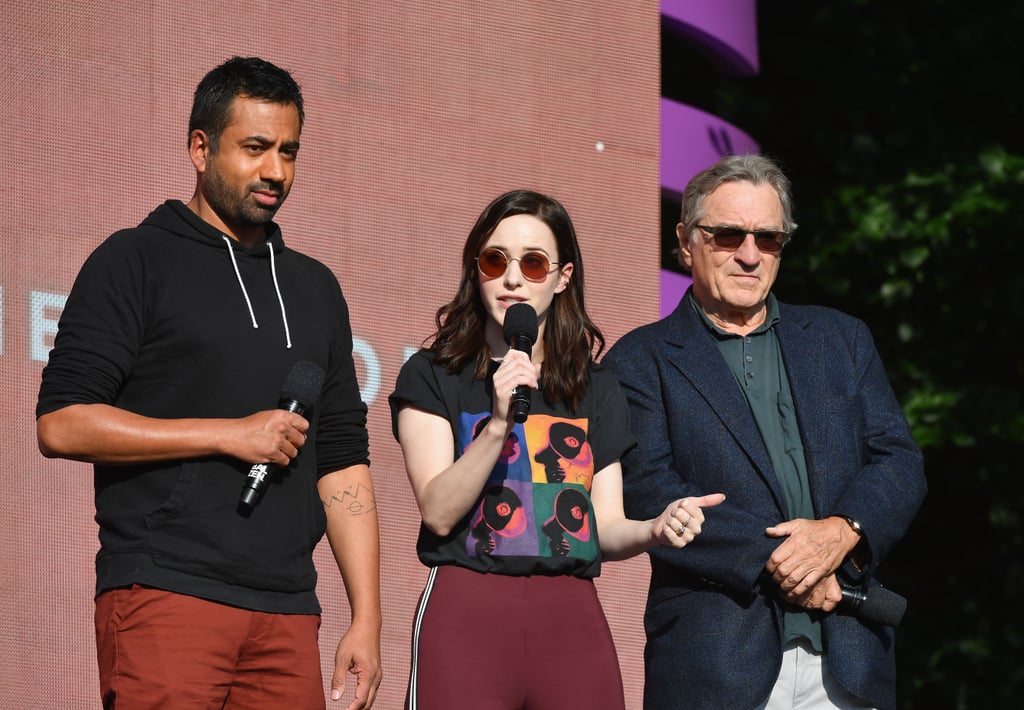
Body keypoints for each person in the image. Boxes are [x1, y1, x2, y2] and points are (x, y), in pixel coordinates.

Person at [36, 56, 382, 710]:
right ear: (200, 147)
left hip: (287, 611)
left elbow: (342, 460)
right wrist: (229, 436)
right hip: (165, 592)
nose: (275, 171)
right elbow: (61, 422)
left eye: (289, 151)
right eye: (255, 148)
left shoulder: (316, 289)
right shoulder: (134, 260)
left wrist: (366, 616)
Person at [602, 153, 927, 710]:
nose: (750, 255)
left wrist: (842, 531)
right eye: (728, 235)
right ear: (686, 242)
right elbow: (652, 489)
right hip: (715, 664)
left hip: (848, 656)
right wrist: (787, 560)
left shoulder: (841, 339)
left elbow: (898, 460)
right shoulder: (638, 360)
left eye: (768, 239)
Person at [388, 189, 725, 710]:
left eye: (534, 263)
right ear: (475, 269)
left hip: (569, 616)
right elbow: (437, 511)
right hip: (467, 610)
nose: (513, 278)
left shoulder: (595, 388)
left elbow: (605, 525)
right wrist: (498, 425)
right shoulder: (434, 375)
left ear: (563, 276)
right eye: (495, 260)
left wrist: (655, 528)